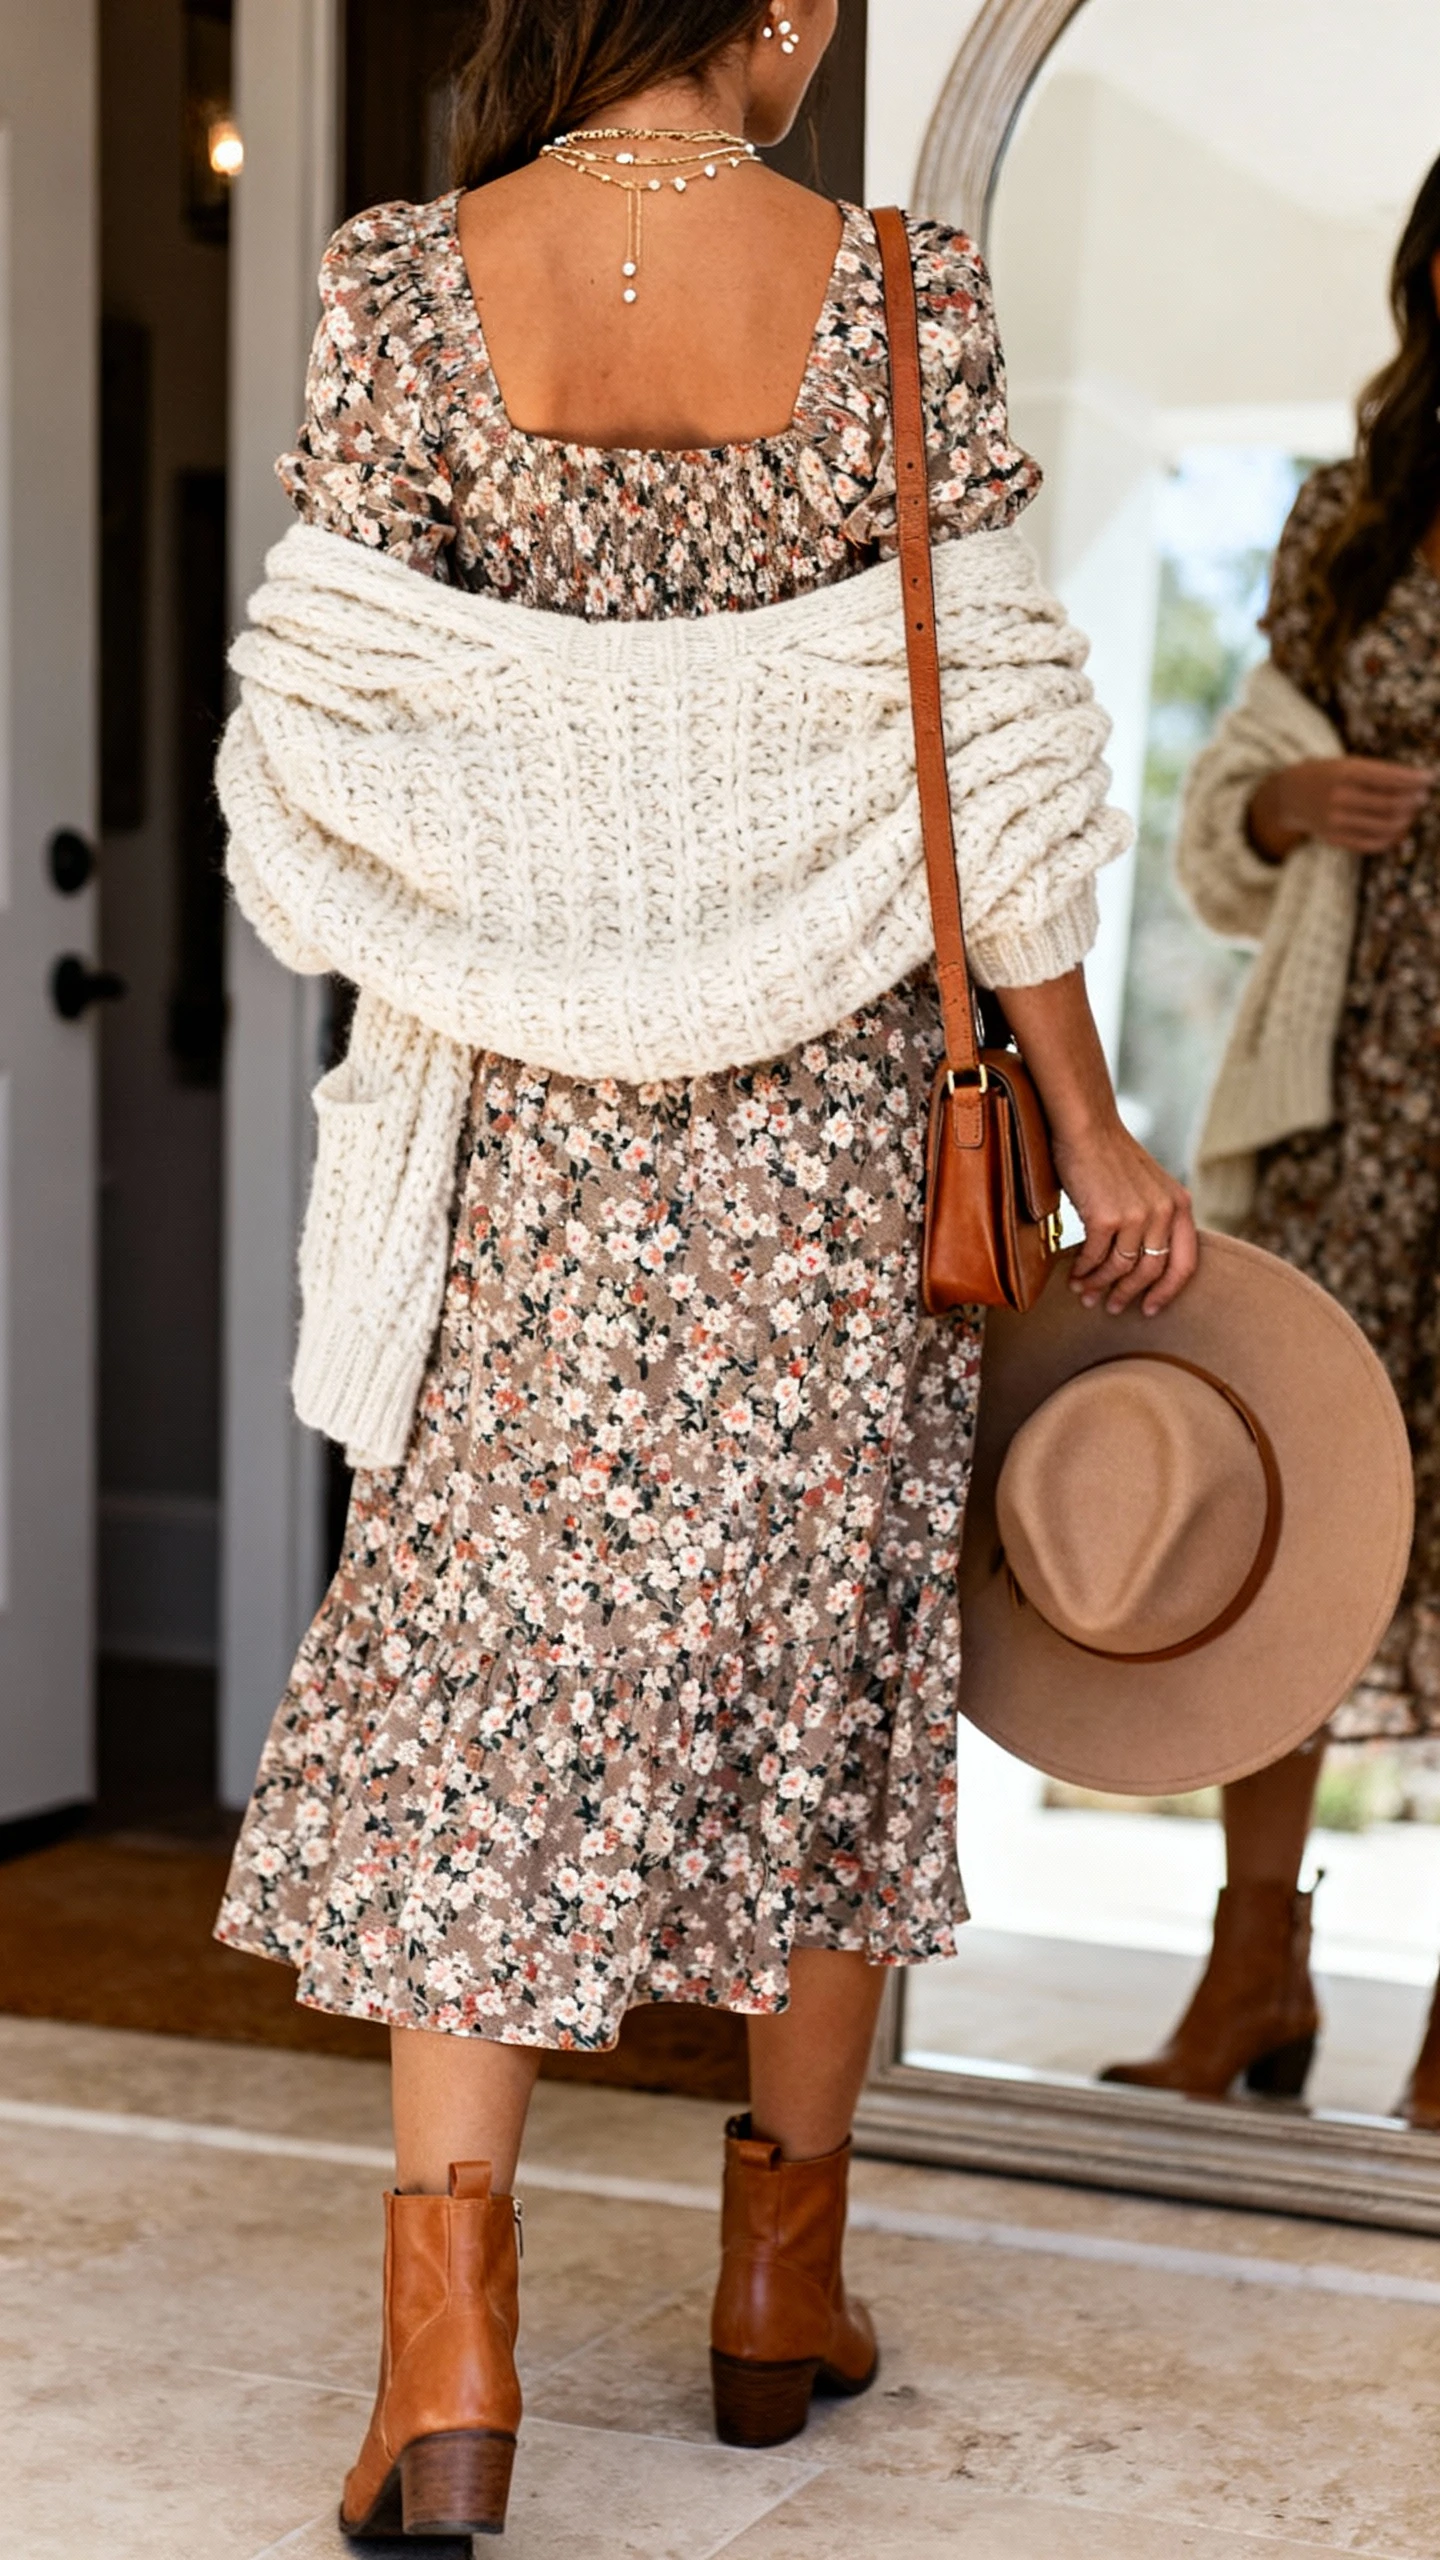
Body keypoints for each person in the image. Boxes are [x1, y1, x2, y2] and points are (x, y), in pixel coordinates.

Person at [214, 0, 1193, 2538]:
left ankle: (451, 2363)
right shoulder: (900, 292)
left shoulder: (404, 282)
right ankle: (780, 2289)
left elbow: (328, 717)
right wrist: (1087, 1127)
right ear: (775, 21)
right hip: (832, 1165)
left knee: (484, 1695)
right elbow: (995, 756)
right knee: (820, 1684)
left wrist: (547, 836)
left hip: (531, 1142)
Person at [1104, 155, 1440, 2118]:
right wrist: (1292, 803)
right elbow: (1212, 821)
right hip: (1348, 1110)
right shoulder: (1355, 522)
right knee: (1299, 1536)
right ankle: (1254, 1974)